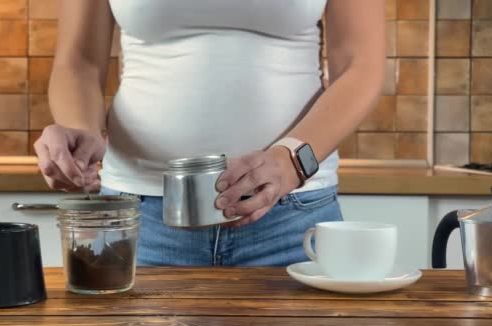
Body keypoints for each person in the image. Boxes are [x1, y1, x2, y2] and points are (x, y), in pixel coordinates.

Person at [34, 0, 385, 266]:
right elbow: (79, 61)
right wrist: (81, 129)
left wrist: (290, 162)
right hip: (139, 218)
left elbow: (360, 65)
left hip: (292, 218)